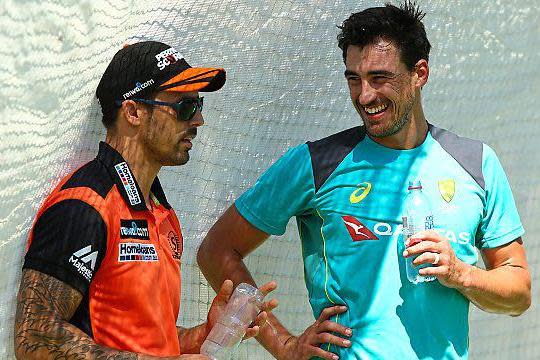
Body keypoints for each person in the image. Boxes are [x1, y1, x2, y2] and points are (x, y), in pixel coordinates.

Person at [197, 2, 531, 359]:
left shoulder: (476, 163)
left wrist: (461, 273)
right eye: (353, 78)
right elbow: (217, 251)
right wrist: (284, 345)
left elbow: (518, 291)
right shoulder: (316, 163)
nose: (364, 95)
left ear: (420, 74)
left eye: (379, 78)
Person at [14, 40, 276, 359]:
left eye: (199, 105)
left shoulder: (162, 212)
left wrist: (204, 334)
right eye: (184, 108)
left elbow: (149, 342)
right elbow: (34, 337)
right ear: (134, 112)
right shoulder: (85, 205)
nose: (198, 121)